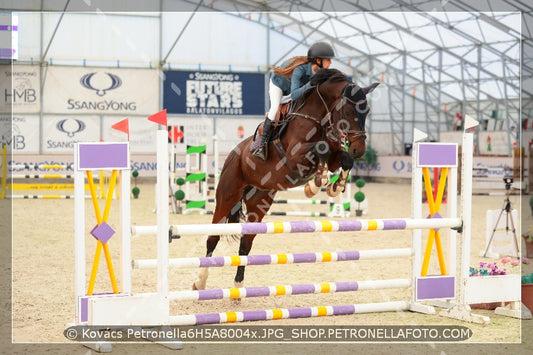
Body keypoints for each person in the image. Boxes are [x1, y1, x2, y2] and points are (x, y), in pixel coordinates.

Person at [253, 42, 335, 160]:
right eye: (328, 59)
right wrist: (312, 82)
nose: (330, 63)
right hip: (279, 87)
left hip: (292, 90)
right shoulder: (300, 70)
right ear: (318, 60)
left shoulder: (319, 73)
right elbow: (295, 94)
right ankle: (261, 145)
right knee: (274, 108)